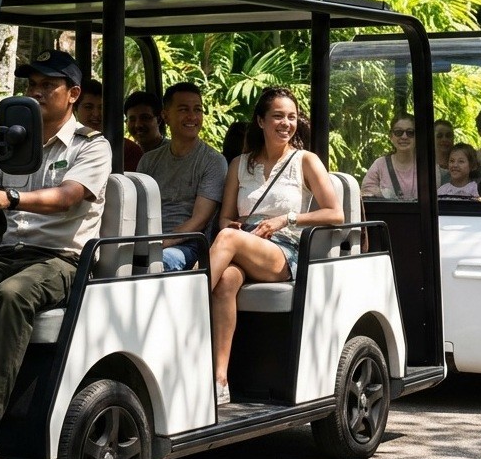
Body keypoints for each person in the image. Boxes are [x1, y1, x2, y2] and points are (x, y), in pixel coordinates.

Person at [0, 50, 112, 459]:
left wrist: (10, 198)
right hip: (7, 250)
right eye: (32, 85)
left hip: (63, 258)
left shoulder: (92, 146)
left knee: (12, 296)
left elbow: (67, 199)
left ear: (73, 94)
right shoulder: (11, 139)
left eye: (49, 86)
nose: (37, 92)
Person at [209, 87, 342, 404]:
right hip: (245, 243)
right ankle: (219, 380)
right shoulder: (240, 165)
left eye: (292, 117)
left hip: (286, 250)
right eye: (278, 116)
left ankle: (183, 307)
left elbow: (334, 213)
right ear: (261, 121)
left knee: (227, 241)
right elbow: (224, 220)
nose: (286, 123)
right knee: (226, 280)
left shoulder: (305, 161)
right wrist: (234, 227)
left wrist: (287, 219)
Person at [137, 81, 228, 271]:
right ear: (165, 116)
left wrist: (158, 243)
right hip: (147, 239)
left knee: (158, 263)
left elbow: (199, 220)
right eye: (184, 109)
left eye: (198, 110)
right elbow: (138, 211)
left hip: (190, 244)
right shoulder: (149, 160)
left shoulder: (212, 161)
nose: (192, 116)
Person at [79, 78, 143, 171]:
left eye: (101, 107)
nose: (96, 114)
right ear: (75, 109)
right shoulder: (64, 144)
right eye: (88, 107)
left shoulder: (128, 150)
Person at [360, 115, 418, 200]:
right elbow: (366, 193)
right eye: (398, 132)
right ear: (391, 136)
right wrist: (386, 194)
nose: (404, 137)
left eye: (410, 132)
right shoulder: (380, 165)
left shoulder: (428, 166)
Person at [434, 118, 455, 184]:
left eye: (448, 136)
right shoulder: (425, 165)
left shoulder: (460, 164)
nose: (444, 139)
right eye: (439, 136)